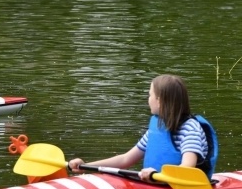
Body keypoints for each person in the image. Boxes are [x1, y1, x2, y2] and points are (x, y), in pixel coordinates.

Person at [68, 74, 218, 181]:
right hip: (155, 183)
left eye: (149, 95)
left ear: (159, 101)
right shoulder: (159, 126)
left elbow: (188, 168)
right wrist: (85, 166)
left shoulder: (189, 129)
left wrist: (158, 175)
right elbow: (126, 159)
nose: (148, 100)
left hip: (179, 186)